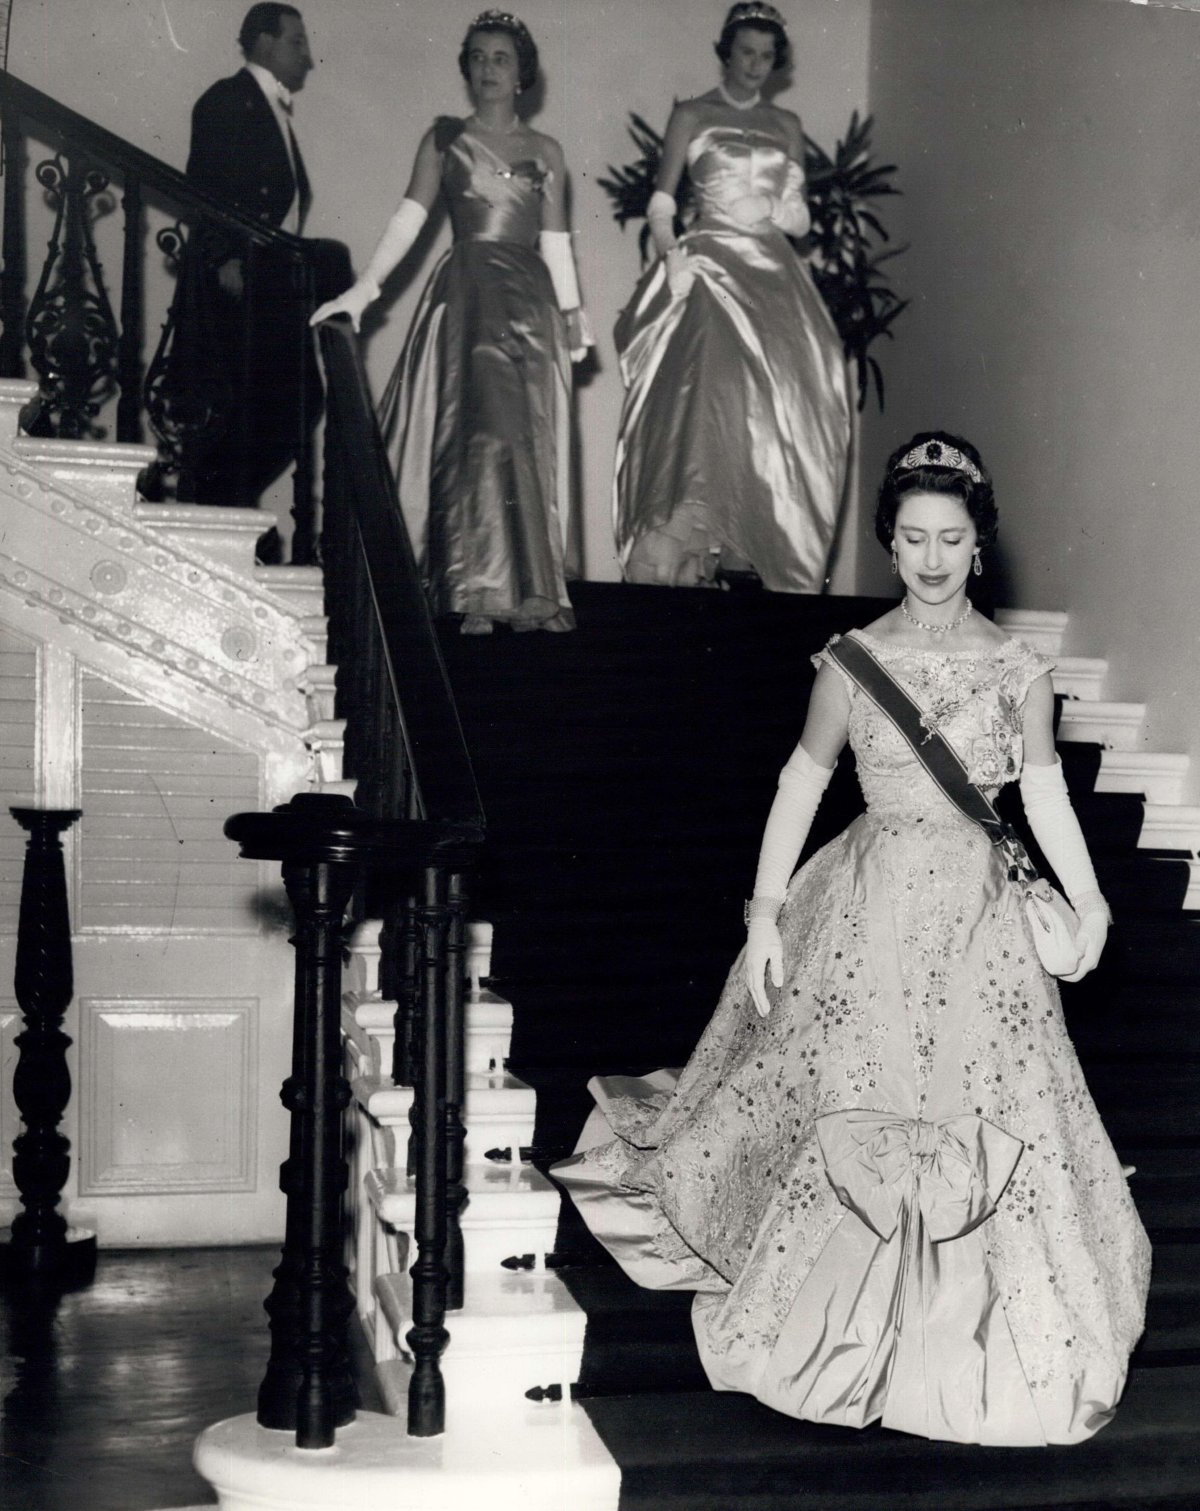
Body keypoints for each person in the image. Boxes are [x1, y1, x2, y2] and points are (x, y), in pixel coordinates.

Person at [555, 430, 1150, 1444]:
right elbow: (800, 783)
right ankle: (828, 1320)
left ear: (979, 544)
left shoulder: (1019, 670)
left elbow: (1043, 797)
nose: (930, 556)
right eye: (912, 536)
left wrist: (1088, 903)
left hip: (981, 922)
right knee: (854, 1097)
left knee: (991, 1101)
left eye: (950, 537)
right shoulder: (853, 662)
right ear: (891, 543)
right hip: (865, 906)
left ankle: (982, 1330)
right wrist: (761, 913)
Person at [312, 10, 590, 634]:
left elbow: (557, 240)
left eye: (502, 59)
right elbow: (410, 218)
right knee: (476, 438)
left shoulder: (547, 152)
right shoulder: (445, 139)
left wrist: (574, 316)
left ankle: (529, 593)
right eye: (479, 57)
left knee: (526, 439)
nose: (489, 69)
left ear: (523, 75)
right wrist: (363, 292)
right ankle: (472, 587)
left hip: (532, 302)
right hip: (467, 295)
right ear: (466, 68)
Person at [612, 2, 852, 593]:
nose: (755, 65)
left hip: (771, 270)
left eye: (766, 56)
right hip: (709, 260)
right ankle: (687, 549)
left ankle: (755, 543)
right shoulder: (693, 114)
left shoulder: (788, 125)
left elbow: (798, 219)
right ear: (726, 52)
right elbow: (663, 202)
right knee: (705, 393)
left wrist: (769, 208)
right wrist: (673, 256)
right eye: (745, 51)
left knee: (782, 398)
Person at [181, 4, 348, 514]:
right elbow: (205, 188)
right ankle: (218, 505)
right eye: (297, 42)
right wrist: (223, 259)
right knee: (258, 409)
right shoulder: (228, 99)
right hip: (238, 285)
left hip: (270, 287)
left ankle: (226, 503)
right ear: (264, 43)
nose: (308, 57)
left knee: (295, 404)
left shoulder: (266, 106)